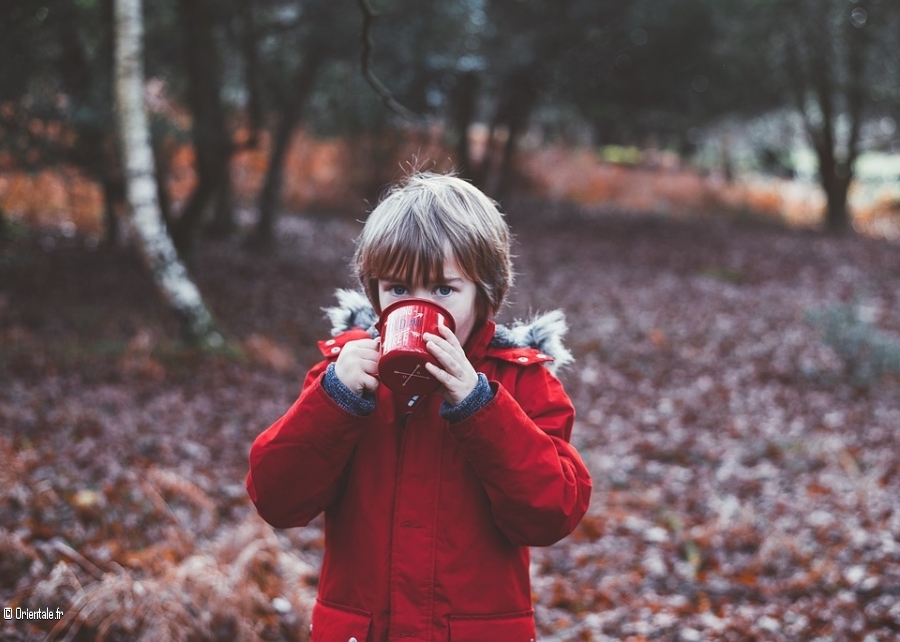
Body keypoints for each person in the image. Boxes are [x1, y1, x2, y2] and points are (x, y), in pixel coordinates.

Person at [246, 171, 592, 641]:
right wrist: (336, 399)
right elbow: (277, 498)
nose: (418, 304)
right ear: (375, 292)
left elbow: (551, 512)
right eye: (398, 289)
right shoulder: (344, 376)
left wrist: (479, 406)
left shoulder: (519, 382)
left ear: (485, 293)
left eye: (444, 290)